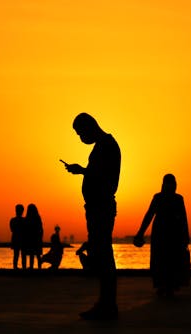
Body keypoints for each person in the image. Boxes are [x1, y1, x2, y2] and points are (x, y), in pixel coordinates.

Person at [63, 112, 121, 320]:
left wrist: (83, 171)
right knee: (102, 255)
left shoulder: (107, 145)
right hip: (97, 207)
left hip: (101, 208)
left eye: (80, 133)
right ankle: (105, 303)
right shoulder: (102, 146)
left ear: (89, 127)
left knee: (104, 256)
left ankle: (107, 305)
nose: (81, 138)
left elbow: (105, 177)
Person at [133, 174, 191, 297]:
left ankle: (167, 286)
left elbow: (183, 218)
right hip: (163, 232)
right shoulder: (162, 198)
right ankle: (163, 285)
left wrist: (185, 235)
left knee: (168, 259)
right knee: (162, 259)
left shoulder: (175, 198)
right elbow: (149, 215)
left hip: (171, 232)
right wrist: (140, 232)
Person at [23, 204, 44, 270]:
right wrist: (40, 237)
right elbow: (41, 228)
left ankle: (31, 267)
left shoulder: (27, 218)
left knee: (32, 254)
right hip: (36, 238)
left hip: (30, 238)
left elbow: (25, 229)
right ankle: (39, 267)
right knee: (37, 254)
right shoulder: (38, 217)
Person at [9, 204, 25, 269]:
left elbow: (12, 229)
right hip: (22, 239)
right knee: (22, 254)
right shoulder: (24, 220)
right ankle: (23, 267)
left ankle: (15, 267)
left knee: (16, 254)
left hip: (15, 238)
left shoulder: (12, 220)